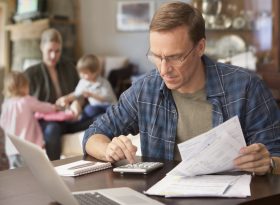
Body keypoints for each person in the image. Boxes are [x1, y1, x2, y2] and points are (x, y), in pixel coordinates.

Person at [83, 2, 280, 175]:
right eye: (157, 56)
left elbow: (276, 156)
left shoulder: (246, 87)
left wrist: (268, 163)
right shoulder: (145, 89)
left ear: (200, 47)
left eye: (175, 57)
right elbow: (93, 134)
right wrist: (108, 149)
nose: (163, 69)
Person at [24, 28, 92, 160]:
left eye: (57, 51)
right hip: (47, 122)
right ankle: (55, 170)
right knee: (52, 130)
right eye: (50, 50)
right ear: (41, 47)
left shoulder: (69, 67)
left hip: (70, 118)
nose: (53, 56)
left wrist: (77, 104)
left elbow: (81, 92)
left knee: (101, 116)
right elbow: (27, 105)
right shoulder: (31, 74)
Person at [0, 71, 58, 168]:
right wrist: (54, 107)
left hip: (11, 150)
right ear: (23, 86)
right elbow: (43, 107)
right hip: (28, 148)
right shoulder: (26, 100)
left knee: (17, 175)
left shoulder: (6, 104)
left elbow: (2, 123)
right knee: (33, 173)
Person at [56, 54, 117, 120]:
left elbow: (108, 98)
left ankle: (105, 118)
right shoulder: (83, 82)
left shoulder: (104, 83)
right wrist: (66, 98)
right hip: (95, 107)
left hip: (108, 105)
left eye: (85, 73)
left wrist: (92, 95)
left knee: (111, 112)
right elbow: (76, 94)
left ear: (95, 72)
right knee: (89, 110)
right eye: (80, 73)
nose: (82, 76)